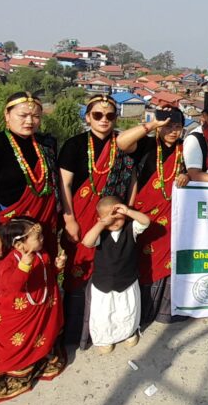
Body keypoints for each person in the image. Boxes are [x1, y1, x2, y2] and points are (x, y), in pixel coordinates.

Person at [0, 92, 61, 361]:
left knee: (40, 284)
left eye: (35, 116)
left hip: (40, 232)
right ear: (7, 116)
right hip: (6, 234)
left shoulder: (45, 146)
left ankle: (37, 347)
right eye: (23, 115)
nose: (29, 121)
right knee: (0, 289)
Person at [57, 94, 139, 347]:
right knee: (79, 272)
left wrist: (128, 211)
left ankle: (116, 329)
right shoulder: (74, 145)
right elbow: (64, 185)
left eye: (110, 115)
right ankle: (77, 334)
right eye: (97, 115)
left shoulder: (124, 144)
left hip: (114, 218)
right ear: (87, 117)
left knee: (113, 267)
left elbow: (132, 180)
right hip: (82, 216)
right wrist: (69, 219)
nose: (104, 120)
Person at [0, 218, 66, 404]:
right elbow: (12, 287)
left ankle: (34, 361)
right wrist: (24, 266)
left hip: (40, 310)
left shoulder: (42, 254)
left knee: (39, 339)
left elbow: (47, 276)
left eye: (41, 236)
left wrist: (57, 267)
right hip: (18, 316)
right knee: (11, 346)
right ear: (19, 245)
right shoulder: (9, 264)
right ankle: (6, 371)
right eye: (37, 237)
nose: (42, 239)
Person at [115, 107, 190, 326]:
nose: (172, 131)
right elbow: (121, 143)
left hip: (172, 218)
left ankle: (165, 312)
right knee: (143, 263)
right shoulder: (147, 145)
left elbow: (197, 171)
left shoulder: (186, 150)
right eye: (167, 126)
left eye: (177, 127)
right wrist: (153, 124)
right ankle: (139, 315)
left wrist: (187, 175)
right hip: (143, 216)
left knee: (169, 263)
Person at [80, 195, 152, 354]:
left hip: (127, 281)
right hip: (103, 284)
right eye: (109, 218)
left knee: (127, 309)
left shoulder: (131, 229)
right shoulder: (100, 233)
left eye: (117, 217)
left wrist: (128, 211)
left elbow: (145, 222)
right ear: (100, 219)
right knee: (104, 313)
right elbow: (87, 242)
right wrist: (101, 224)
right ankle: (105, 338)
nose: (114, 221)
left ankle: (129, 333)